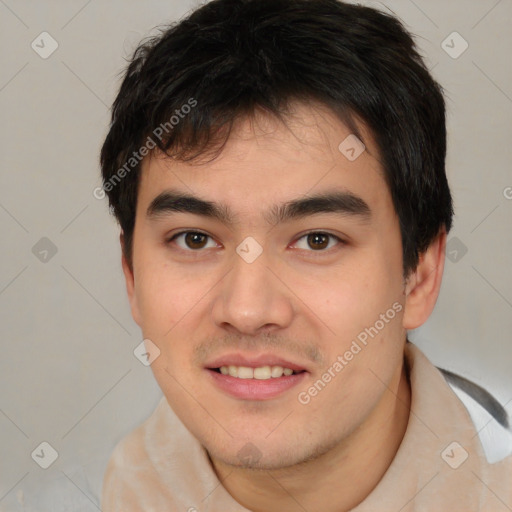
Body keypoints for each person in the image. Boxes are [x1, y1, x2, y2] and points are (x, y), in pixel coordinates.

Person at [98, 0, 512, 510]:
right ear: (132, 276)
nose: (248, 310)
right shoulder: (126, 486)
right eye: (195, 239)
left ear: (420, 275)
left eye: (318, 239)